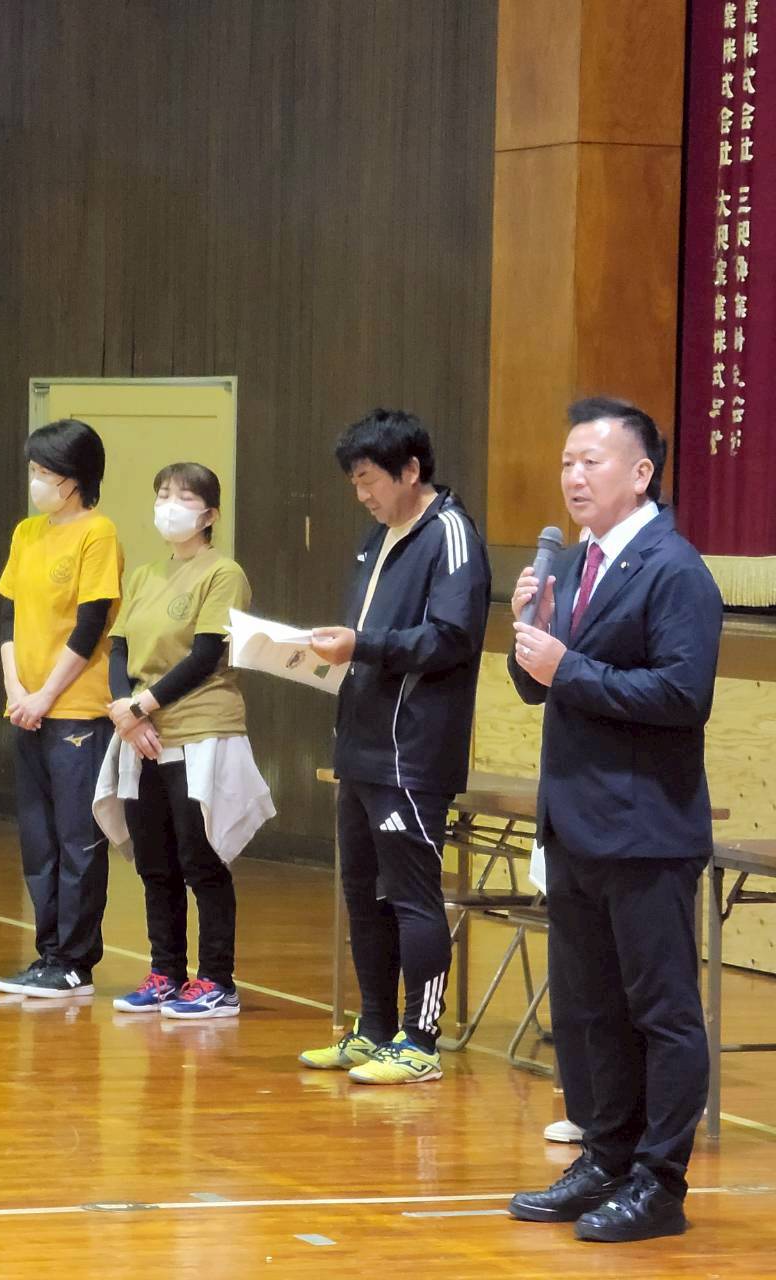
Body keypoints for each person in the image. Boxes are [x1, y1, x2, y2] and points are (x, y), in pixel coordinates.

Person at [507, 397, 723, 1242]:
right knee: (587, 1008)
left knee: (659, 1013)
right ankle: (605, 1158)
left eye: (590, 461)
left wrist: (567, 666)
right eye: (566, 461)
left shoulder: (675, 569)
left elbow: (682, 694)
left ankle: (659, 1184)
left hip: (645, 829)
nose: (573, 476)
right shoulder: (575, 565)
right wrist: (532, 634)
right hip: (574, 824)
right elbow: (541, 688)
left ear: (641, 473)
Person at [299, 408, 490, 1084]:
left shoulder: (451, 534)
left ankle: (420, 1040)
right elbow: (367, 637)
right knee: (363, 896)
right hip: (361, 745)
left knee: (411, 896)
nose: (361, 494)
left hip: (412, 752)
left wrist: (363, 645)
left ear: (410, 471)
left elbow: (452, 637)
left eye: (368, 479)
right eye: (354, 482)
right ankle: (374, 1028)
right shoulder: (377, 537)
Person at [107, 462, 272, 1020]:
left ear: (210, 514)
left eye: (182, 497)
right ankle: (166, 972)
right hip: (142, 734)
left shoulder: (224, 573)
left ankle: (218, 979)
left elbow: (205, 655)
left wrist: (141, 706)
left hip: (200, 729)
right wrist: (127, 712)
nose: (168, 506)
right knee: (154, 860)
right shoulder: (144, 575)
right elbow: (119, 649)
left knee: (202, 857)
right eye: (162, 495)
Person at [0, 418, 123, 998]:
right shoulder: (26, 533)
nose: (36, 481)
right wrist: (16, 690)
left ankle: (74, 961)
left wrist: (46, 695)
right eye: (33, 470)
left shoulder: (98, 533)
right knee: (38, 839)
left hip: (75, 710)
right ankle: (47, 953)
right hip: (26, 707)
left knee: (78, 839)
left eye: (44, 472)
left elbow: (91, 626)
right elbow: (7, 617)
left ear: (74, 479)